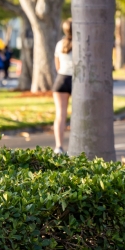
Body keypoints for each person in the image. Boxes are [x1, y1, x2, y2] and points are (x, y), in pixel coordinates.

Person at [52, 19, 73, 155]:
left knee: (60, 115)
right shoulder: (81, 43)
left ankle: (59, 147)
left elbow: (57, 66)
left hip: (61, 80)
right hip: (76, 81)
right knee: (77, 115)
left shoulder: (59, 44)